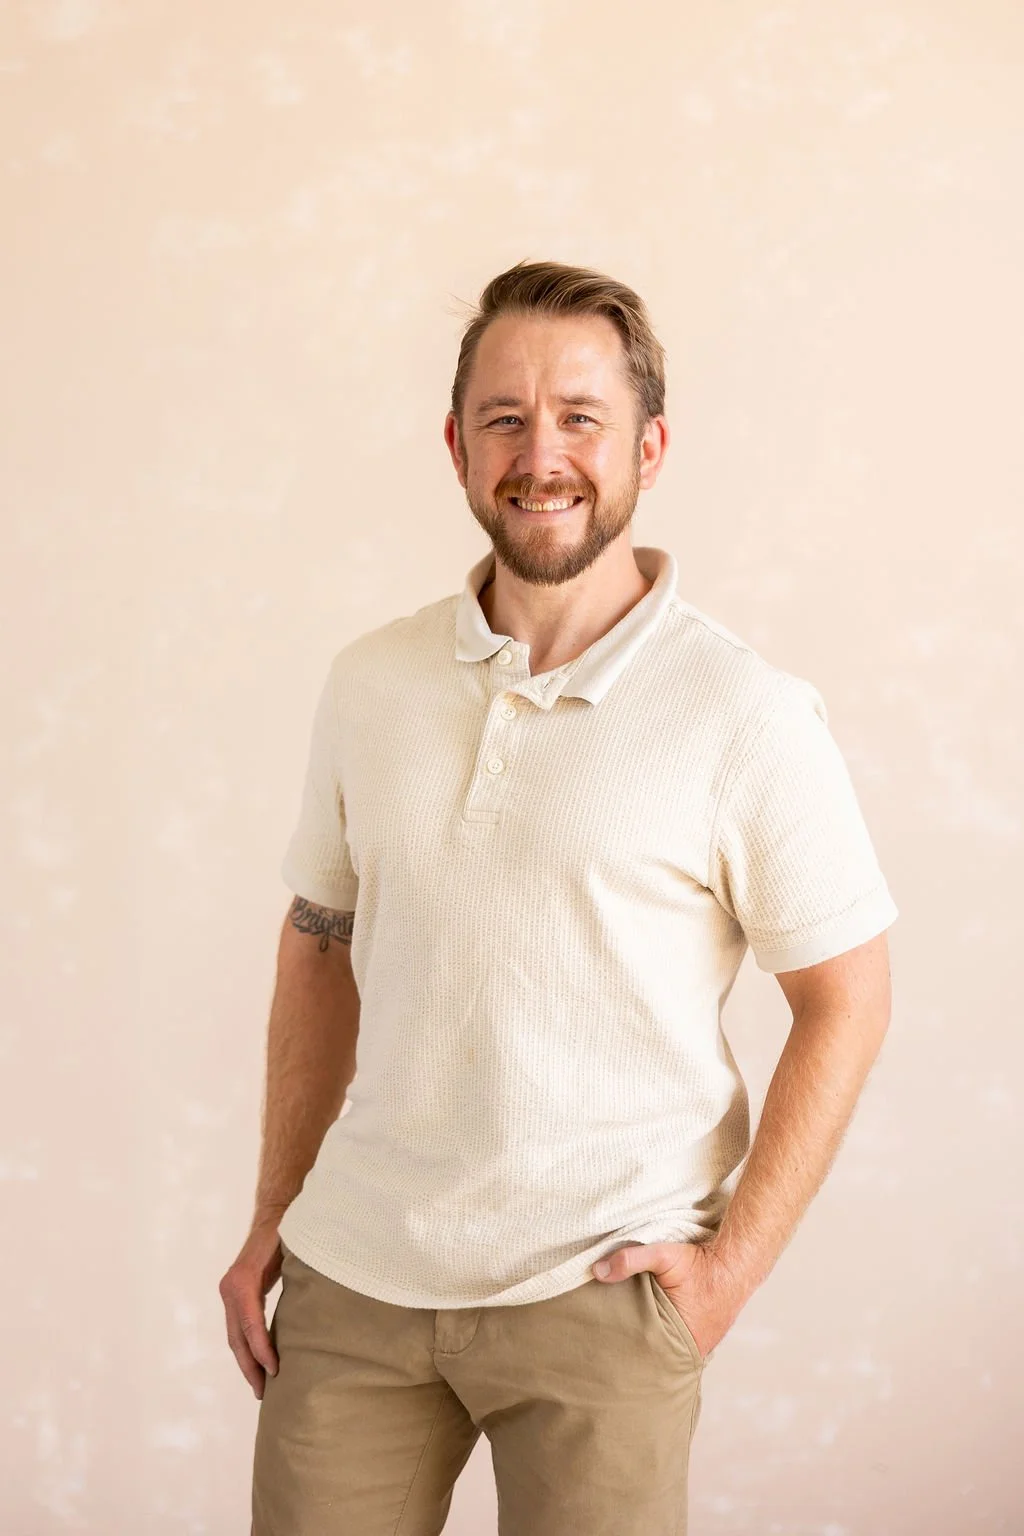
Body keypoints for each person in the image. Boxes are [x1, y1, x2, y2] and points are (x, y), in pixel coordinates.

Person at [220, 259, 898, 1535]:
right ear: (457, 447)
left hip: (602, 1294)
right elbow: (318, 944)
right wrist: (273, 1219)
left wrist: (720, 1279)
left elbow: (847, 999)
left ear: (647, 444)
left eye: (580, 417)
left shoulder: (743, 714)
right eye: (505, 418)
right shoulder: (371, 681)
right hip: (356, 1278)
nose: (543, 454)